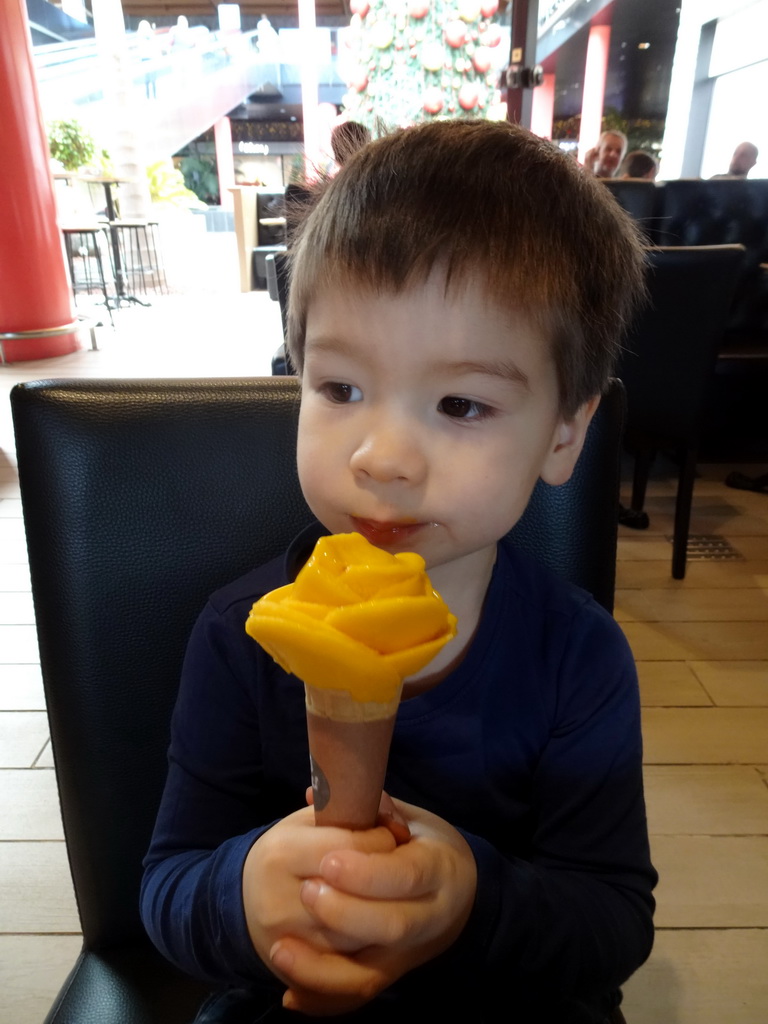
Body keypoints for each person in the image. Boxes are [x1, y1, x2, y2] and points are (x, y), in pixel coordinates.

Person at [141, 119, 656, 1024]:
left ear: (565, 434)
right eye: (340, 389)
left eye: (461, 403)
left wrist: (473, 898)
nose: (382, 457)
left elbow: (611, 920)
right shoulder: (239, 635)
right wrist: (241, 888)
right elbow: (167, 889)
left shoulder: (578, 657)